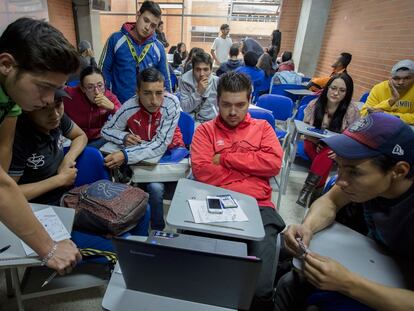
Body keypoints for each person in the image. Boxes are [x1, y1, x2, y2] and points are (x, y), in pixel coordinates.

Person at [275, 112, 414, 311]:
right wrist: (308, 227)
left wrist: (348, 284)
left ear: (399, 171)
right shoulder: (372, 181)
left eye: (354, 172)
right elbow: (330, 201)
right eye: (339, 167)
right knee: (289, 283)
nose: (340, 181)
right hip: (373, 266)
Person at [9, 90, 149, 252]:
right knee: (123, 247)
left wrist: (68, 159)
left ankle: (137, 263)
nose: (54, 114)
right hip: (42, 211)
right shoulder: (18, 138)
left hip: (71, 198)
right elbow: (9, 193)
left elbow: (80, 136)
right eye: (45, 109)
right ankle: (130, 261)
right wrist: (59, 180)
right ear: (29, 108)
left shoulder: (56, 119)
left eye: (58, 105)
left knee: (142, 210)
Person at [191, 72, 286, 311]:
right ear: (217, 102)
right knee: (211, 273)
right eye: (226, 105)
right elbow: (202, 171)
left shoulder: (263, 128)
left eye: (240, 105)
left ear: (249, 100)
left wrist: (225, 158)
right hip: (215, 202)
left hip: (259, 206)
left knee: (262, 285)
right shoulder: (205, 131)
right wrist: (251, 173)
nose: (233, 112)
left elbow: (273, 164)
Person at [0, 17, 81, 274]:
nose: (49, 100)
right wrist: (50, 248)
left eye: (57, 90)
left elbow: (3, 179)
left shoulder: (12, 102)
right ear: (6, 64)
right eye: (44, 87)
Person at [101, 68, 183, 231]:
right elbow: (106, 130)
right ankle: (134, 224)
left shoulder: (171, 103)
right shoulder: (129, 106)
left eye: (159, 93)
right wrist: (123, 137)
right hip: (139, 155)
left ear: (165, 91)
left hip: (168, 152)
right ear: (137, 92)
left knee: (155, 188)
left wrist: (125, 154)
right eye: (147, 93)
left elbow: (160, 145)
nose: (154, 100)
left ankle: (158, 230)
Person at [297, 73, 359, 207]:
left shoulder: (351, 110)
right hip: (313, 142)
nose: (336, 93)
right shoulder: (314, 105)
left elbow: (352, 139)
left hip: (336, 148)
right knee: (317, 151)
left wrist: (338, 151)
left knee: (328, 152)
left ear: (347, 93)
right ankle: (317, 192)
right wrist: (317, 142)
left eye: (342, 90)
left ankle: (307, 190)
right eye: (333, 88)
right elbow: (304, 130)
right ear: (327, 88)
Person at [99, 1, 172, 104]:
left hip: (146, 107)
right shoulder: (116, 39)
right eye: (146, 20)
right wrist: (108, 98)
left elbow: (166, 82)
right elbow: (103, 71)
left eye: (153, 26)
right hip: (118, 105)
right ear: (138, 15)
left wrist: (167, 104)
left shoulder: (158, 47)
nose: (147, 27)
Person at [64, 66, 121, 149]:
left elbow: (126, 118)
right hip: (75, 138)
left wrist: (112, 107)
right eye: (90, 87)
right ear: (82, 88)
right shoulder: (70, 95)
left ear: (105, 83)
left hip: (98, 139)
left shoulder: (110, 98)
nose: (97, 92)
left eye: (100, 85)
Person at [360, 59, 414, 125]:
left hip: (406, 127)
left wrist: (385, 114)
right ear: (390, 78)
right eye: (396, 78)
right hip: (379, 125)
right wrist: (391, 101)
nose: (401, 82)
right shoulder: (379, 88)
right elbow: (365, 114)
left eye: (407, 78)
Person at [179, 52, 219, 123]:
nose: (202, 74)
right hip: (193, 121)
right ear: (193, 69)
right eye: (198, 69)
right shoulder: (184, 80)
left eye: (205, 69)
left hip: (213, 121)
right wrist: (198, 92)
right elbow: (184, 108)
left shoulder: (217, 82)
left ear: (211, 69)